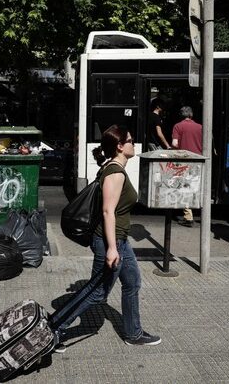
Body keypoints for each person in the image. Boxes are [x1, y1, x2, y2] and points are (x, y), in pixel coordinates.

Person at [53, 124, 161, 352]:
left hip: (120, 239)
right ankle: (55, 329)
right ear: (120, 147)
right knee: (98, 291)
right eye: (131, 140)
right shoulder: (115, 172)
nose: (134, 144)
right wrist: (112, 248)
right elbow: (107, 211)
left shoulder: (110, 167)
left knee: (132, 283)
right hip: (111, 242)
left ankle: (133, 333)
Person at [171, 106, 202, 227]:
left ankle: (188, 217)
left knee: (185, 188)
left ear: (181, 115)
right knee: (194, 187)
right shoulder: (201, 127)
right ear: (191, 115)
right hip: (198, 161)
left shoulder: (178, 126)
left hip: (184, 161)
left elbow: (175, 144)